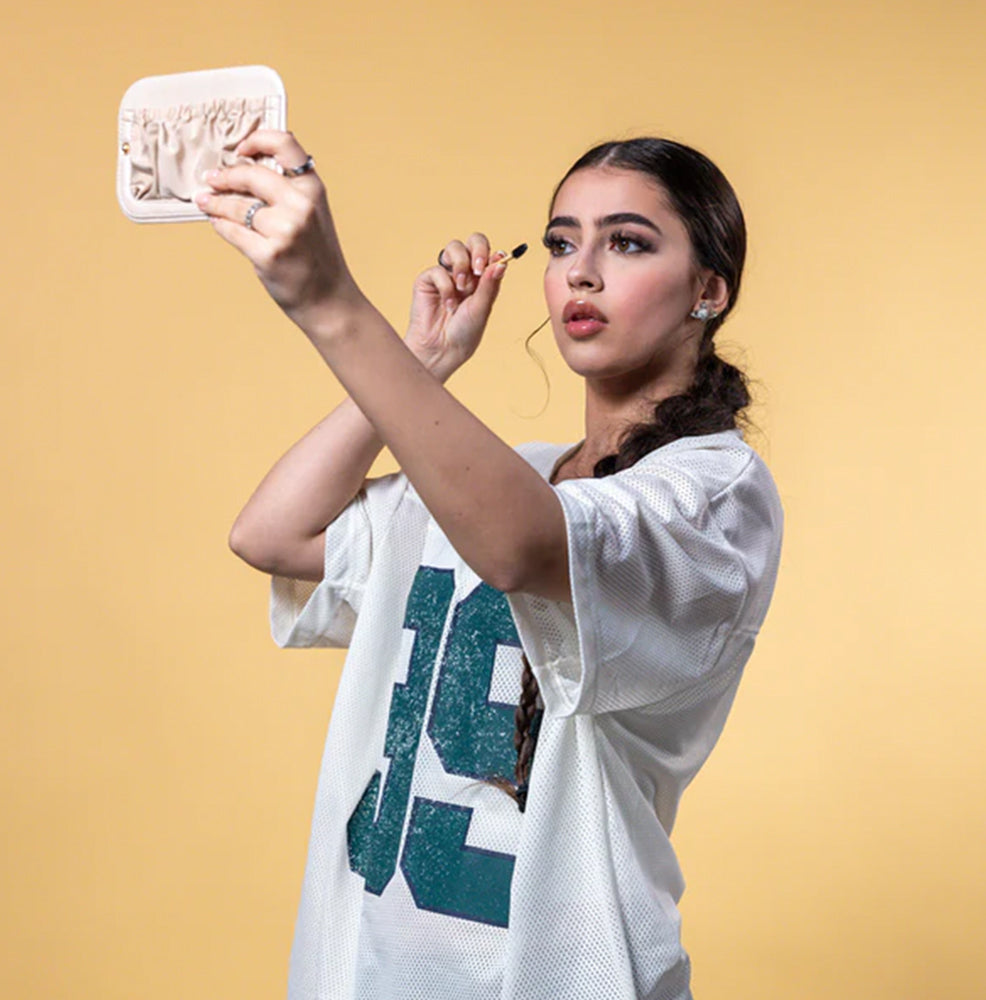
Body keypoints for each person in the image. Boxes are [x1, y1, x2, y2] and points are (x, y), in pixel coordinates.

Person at [195, 132, 784, 1000]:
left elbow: (521, 545)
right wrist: (422, 360)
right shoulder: (501, 474)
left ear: (709, 289)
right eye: (560, 242)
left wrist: (331, 306)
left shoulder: (714, 496)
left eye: (626, 241)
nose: (580, 272)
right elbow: (273, 535)